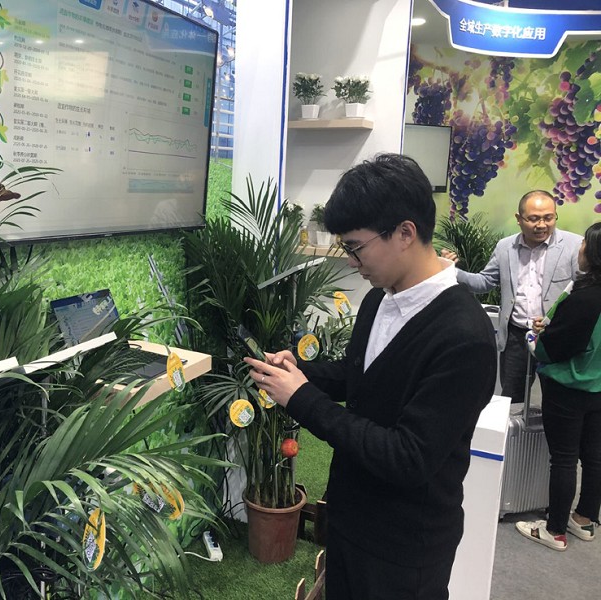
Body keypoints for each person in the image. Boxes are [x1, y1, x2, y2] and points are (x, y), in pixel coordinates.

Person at [244, 154, 497, 600]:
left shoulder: (464, 336)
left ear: (405, 233)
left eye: (356, 247)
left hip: (405, 545)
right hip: (350, 517)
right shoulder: (380, 298)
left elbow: (407, 457)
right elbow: (359, 376)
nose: (352, 262)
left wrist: (301, 398)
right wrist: (300, 372)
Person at [440, 190, 583, 404]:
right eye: (534, 218)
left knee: (558, 400)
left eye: (548, 218)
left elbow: (582, 291)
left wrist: (556, 320)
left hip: (555, 336)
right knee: (511, 399)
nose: (542, 225)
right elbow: (484, 282)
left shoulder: (574, 245)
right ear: (519, 218)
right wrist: (451, 271)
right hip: (515, 337)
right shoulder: (505, 247)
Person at [516, 221, 601, 551]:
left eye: (584, 244)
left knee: (564, 459)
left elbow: (553, 349)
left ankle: (555, 531)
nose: (579, 249)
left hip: (569, 388)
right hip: (598, 390)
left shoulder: (584, 298)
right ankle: (584, 519)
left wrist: (535, 338)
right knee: (594, 457)